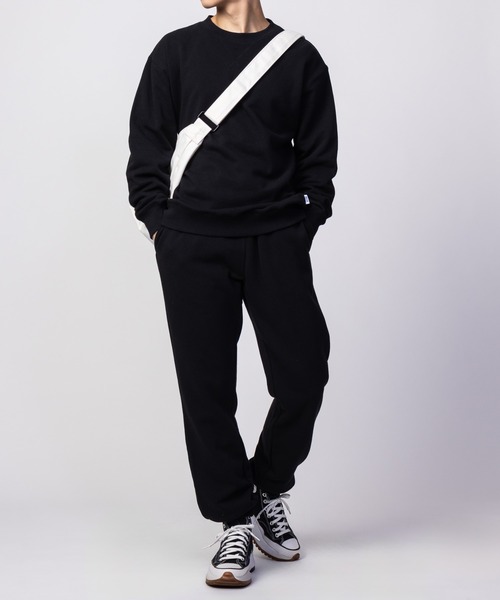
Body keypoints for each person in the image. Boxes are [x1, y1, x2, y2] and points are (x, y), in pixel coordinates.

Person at [126, 0, 338, 588]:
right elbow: (146, 144)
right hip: (192, 242)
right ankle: (234, 520)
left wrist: (300, 227)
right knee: (207, 389)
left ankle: (267, 489)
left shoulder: (299, 59)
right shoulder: (175, 52)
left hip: (275, 239)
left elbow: (318, 160)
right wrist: (159, 224)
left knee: (304, 374)